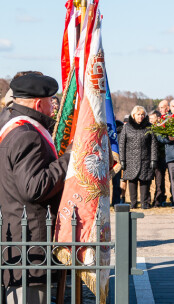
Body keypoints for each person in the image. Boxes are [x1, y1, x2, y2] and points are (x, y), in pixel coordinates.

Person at [0, 73, 70, 303]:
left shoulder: (12, 125)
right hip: (29, 243)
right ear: (39, 103)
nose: (54, 106)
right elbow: (34, 188)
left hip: (18, 238)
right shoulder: (27, 135)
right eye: (52, 101)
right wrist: (69, 158)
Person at [119, 106, 158, 209]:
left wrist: (153, 159)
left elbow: (153, 144)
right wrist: (122, 160)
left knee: (145, 181)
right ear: (133, 115)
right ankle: (133, 203)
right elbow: (122, 144)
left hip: (145, 159)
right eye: (138, 114)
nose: (140, 117)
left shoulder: (149, 127)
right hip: (130, 160)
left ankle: (144, 203)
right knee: (132, 181)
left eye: (142, 115)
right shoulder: (127, 127)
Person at [148, 110, 168, 207]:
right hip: (149, 159)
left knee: (159, 182)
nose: (150, 120)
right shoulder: (147, 129)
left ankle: (158, 200)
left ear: (159, 119)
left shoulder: (162, 129)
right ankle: (147, 200)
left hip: (160, 158)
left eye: (152, 118)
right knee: (147, 181)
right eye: (150, 118)